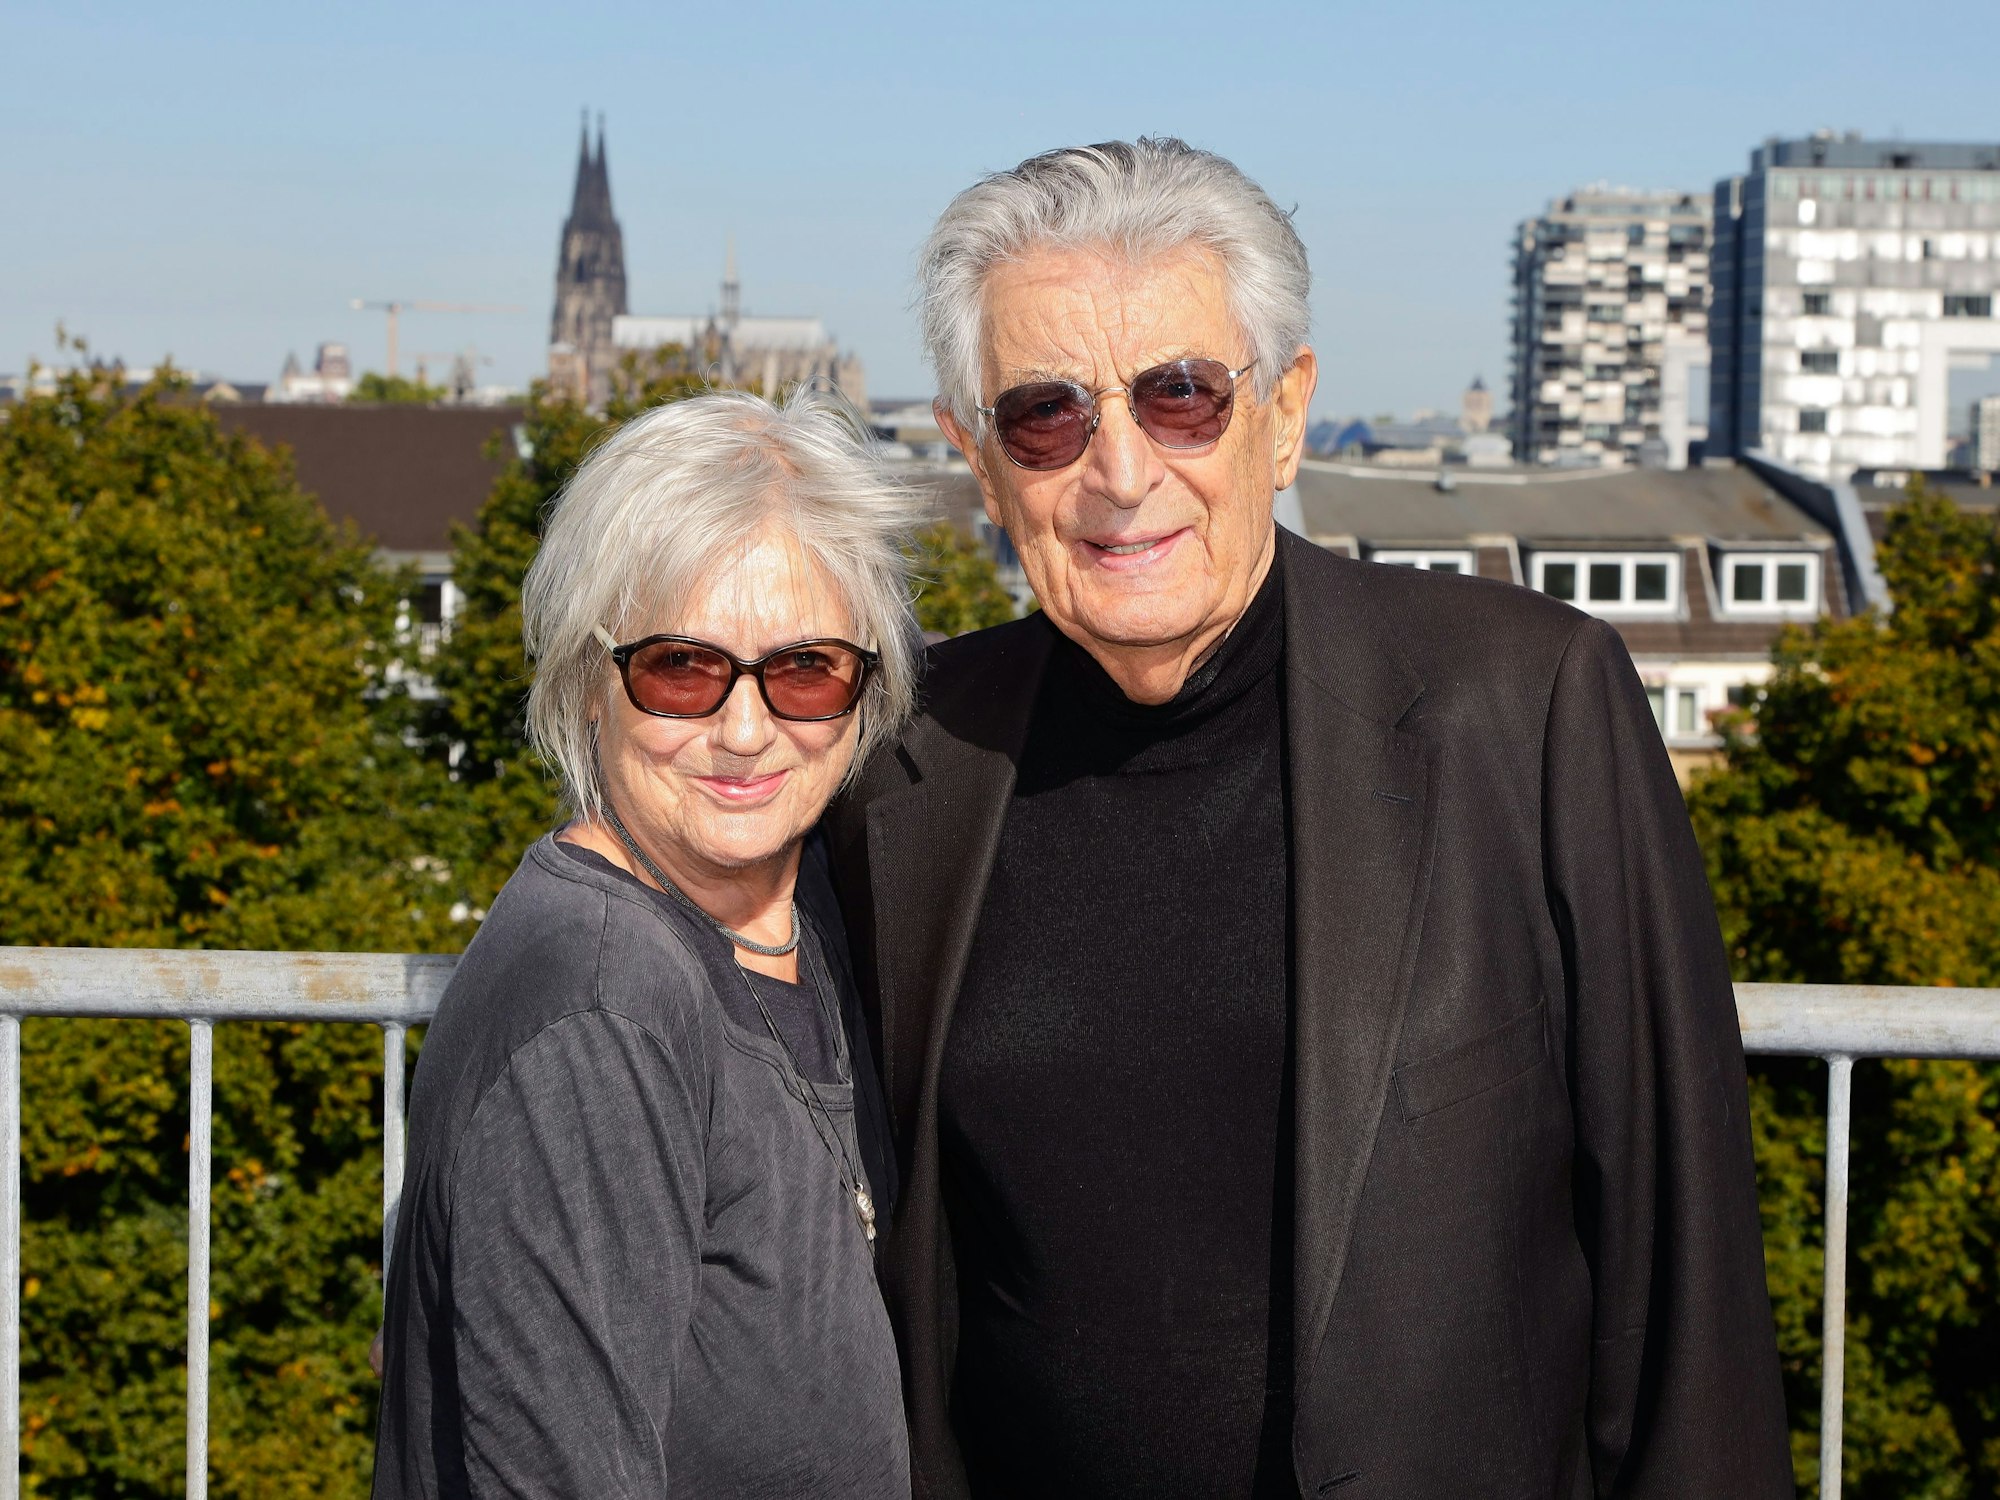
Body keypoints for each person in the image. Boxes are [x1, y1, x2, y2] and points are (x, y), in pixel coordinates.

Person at [825, 139, 1795, 1498]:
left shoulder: (1525, 710)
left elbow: (1679, 1280)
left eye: (1180, 397)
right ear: (977, 462)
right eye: (1047, 414)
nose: (1119, 474)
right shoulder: (905, 754)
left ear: (1285, 414)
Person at [373, 388, 921, 1498]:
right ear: (587, 683)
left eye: (805, 669)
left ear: (866, 691)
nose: (746, 728)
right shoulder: (602, 1004)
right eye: (681, 668)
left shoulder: (804, 915)